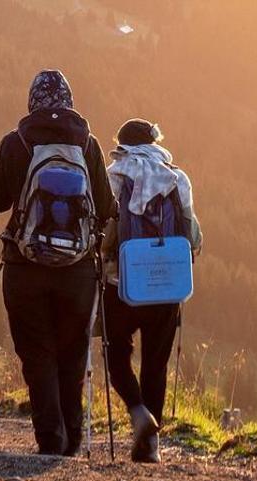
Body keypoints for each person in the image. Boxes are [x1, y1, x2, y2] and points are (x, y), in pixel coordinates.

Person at [0, 70, 116, 456]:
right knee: (73, 352)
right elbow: (105, 208)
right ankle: (73, 439)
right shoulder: (88, 145)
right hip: (77, 272)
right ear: (69, 102)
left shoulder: (16, 142)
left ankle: (50, 438)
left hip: (25, 268)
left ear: (32, 102)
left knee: (37, 352)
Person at [102, 118, 203, 463]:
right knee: (155, 365)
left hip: (122, 286)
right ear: (154, 141)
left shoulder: (112, 175)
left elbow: (101, 232)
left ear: (122, 143)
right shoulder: (176, 177)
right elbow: (193, 237)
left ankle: (137, 410)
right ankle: (151, 448)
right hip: (167, 285)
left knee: (116, 355)